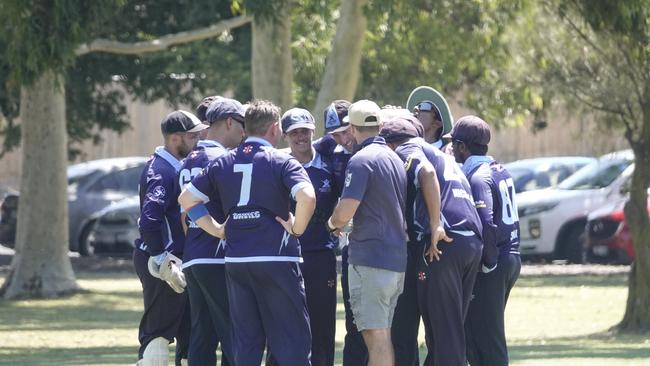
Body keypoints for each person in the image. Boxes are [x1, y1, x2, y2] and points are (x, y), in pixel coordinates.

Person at [178, 100, 316, 366]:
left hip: (237, 262)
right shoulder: (281, 160)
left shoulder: (223, 162)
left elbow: (186, 200)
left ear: (245, 129)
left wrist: (217, 231)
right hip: (277, 259)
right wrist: (297, 228)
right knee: (292, 341)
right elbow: (307, 196)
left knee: (246, 344)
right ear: (275, 129)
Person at [383, 114, 483, 366]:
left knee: (444, 333)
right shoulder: (441, 155)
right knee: (448, 328)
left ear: (391, 142)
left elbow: (426, 173)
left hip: (443, 242)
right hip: (471, 241)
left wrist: (435, 223)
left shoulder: (407, 148)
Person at [327, 100, 407, 366]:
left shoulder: (361, 160)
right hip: (395, 261)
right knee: (382, 335)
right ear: (380, 126)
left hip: (371, 260)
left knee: (375, 337)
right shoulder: (395, 159)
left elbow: (344, 212)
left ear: (351, 128)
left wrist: (330, 224)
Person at [134, 110, 207, 366]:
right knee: (157, 339)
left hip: (179, 261)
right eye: (193, 136)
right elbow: (149, 218)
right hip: (163, 262)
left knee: (191, 338)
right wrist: (161, 259)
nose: (198, 140)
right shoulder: (162, 170)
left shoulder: (175, 166)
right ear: (176, 139)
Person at [178, 97, 246, 366]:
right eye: (242, 124)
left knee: (202, 335)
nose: (245, 131)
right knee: (233, 330)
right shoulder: (222, 158)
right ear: (229, 121)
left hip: (193, 256)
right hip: (216, 257)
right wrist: (217, 230)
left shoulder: (187, 160)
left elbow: (184, 212)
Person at [448, 116, 521, 366]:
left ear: (462, 147)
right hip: (510, 257)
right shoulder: (501, 169)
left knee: (489, 340)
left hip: (495, 262)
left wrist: (487, 263)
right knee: (476, 336)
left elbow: (487, 222)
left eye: (454, 144)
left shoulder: (478, 177)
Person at [269, 107, 338, 366]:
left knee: (321, 325)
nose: (301, 137)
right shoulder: (276, 164)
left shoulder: (328, 163)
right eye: (294, 132)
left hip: (320, 255)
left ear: (313, 132)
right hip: (283, 257)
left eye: (305, 131)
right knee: (282, 323)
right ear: (285, 135)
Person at [315, 100, 369, 366]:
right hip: (349, 244)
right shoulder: (328, 148)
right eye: (335, 134)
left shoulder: (373, 149)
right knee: (353, 320)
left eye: (346, 131)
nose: (342, 139)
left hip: (376, 243)